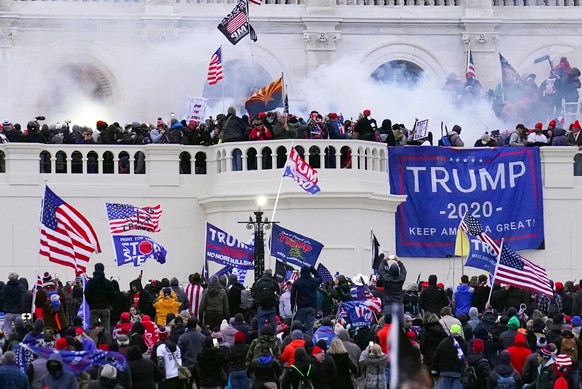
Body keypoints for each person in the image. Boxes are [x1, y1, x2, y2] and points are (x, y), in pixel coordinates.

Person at [291, 266, 321, 337]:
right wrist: (313, 270)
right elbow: (320, 278)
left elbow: (293, 297)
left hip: (301, 307)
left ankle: (298, 339)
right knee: (310, 326)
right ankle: (309, 342)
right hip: (312, 307)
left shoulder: (297, 282)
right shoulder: (313, 281)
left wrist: (292, 307)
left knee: (298, 326)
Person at [252, 269, 280, 335]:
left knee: (260, 327)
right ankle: (272, 342)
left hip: (261, 307)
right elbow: (278, 292)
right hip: (271, 307)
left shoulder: (259, 282)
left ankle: (260, 342)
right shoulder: (274, 282)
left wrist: (257, 301)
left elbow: (253, 293)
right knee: (272, 327)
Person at [2, 272, 23, 337]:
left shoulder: (5, 287)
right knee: (19, 330)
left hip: (8, 312)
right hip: (18, 311)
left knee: (7, 331)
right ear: (17, 278)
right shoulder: (20, 287)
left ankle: (7, 343)